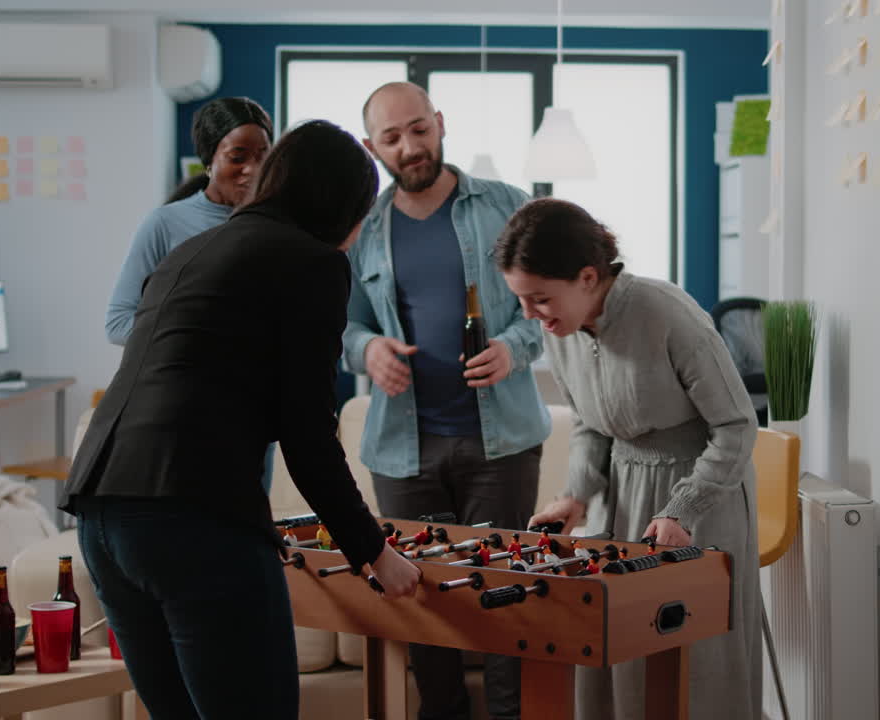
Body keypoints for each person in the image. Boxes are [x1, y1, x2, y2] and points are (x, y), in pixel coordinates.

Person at [60, 120, 421, 720]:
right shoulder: (312, 262)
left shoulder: (192, 248)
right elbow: (308, 433)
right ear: (342, 207)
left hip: (100, 512)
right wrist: (373, 551)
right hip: (192, 518)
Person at [499, 198, 762, 720]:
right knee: (615, 661)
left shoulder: (668, 314)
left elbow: (736, 427)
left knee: (698, 670)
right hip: (620, 500)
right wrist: (574, 495)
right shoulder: (562, 332)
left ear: (588, 276)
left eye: (540, 298)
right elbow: (592, 425)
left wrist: (681, 509)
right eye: (522, 301)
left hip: (702, 501)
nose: (530, 316)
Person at [345, 80, 550, 720]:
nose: (410, 147)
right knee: (421, 599)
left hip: (504, 443)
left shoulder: (508, 206)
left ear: (440, 122)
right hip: (403, 451)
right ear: (370, 146)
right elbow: (342, 329)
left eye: (419, 128)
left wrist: (515, 348)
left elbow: (545, 308)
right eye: (392, 137)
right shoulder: (362, 230)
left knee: (506, 596)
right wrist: (366, 350)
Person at [104, 96, 276, 493]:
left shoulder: (277, 225)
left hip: (251, 414)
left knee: (244, 536)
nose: (253, 168)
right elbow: (117, 323)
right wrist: (193, 338)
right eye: (238, 156)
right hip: (180, 416)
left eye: (263, 155)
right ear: (208, 159)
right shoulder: (166, 224)